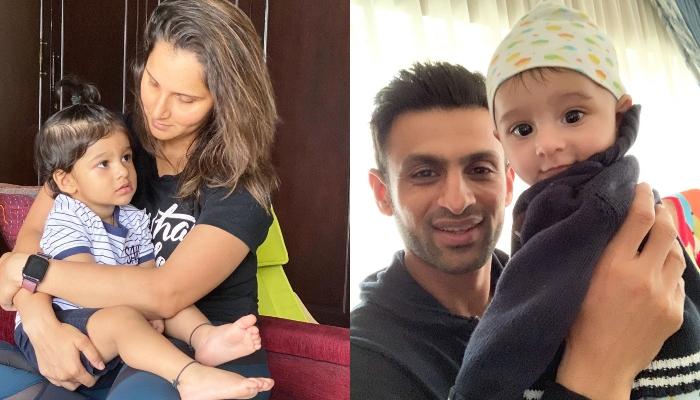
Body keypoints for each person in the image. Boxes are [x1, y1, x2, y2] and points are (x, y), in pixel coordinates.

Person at [350, 61, 686, 400]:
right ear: (383, 194)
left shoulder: (557, 275)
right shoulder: (359, 362)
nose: (457, 201)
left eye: (480, 169)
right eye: (424, 174)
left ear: (509, 183)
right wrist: (601, 372)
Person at [0, 0, 278, 398]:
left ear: (225, 101)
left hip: (207, 349)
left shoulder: (241, 186)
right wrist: (42, 323)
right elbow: (36, 232)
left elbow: (165, 293)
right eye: (153, 82)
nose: (158, 110)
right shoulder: (109, 141)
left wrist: (26, 271)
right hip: (107, 341)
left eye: (185, 99)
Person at [450, 2, 700, 399]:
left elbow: (520, 312)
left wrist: (474, 387)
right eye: (523, 129)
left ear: (619, 115)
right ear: (500, 141)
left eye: (572, 116)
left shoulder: (579, 200)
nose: (547, 144)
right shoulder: (621, 186)